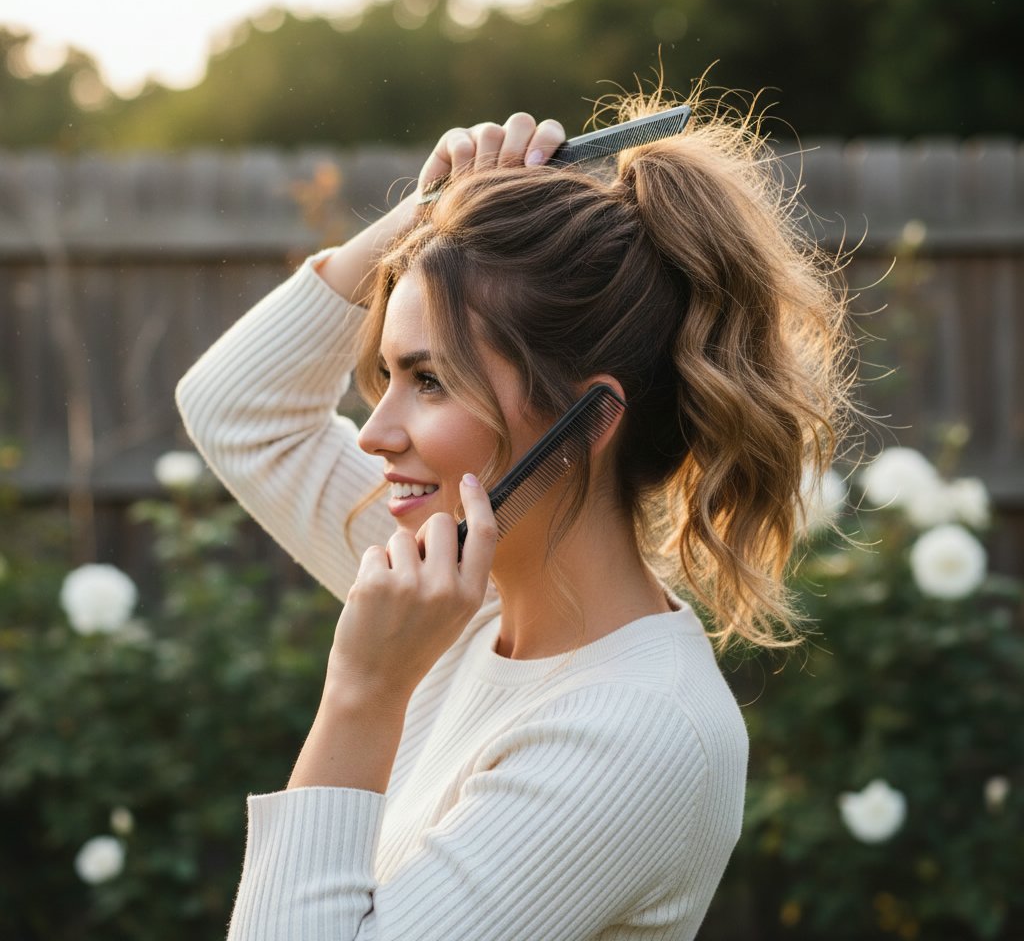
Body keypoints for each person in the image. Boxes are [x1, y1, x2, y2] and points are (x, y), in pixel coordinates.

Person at [176, 89, 850, 941]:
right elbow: (238, 410)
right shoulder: (460, 591)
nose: (378, 432)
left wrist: (364, 695)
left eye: (429, 381)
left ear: (592, 420)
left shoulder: (634, 735)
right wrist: (427, 217)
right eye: (386, 376)